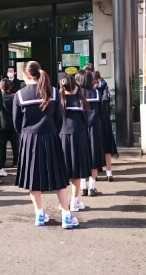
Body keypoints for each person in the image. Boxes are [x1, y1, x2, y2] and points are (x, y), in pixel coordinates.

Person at [14, 61, 78, 229]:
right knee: (59, 177)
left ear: (27, 76)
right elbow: (59, 119)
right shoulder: (55, 92)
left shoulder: (20, 95)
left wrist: (27, 131)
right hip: (51, 137)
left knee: (32, 178)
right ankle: (66, 215)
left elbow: (16, 123)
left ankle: (39, 215)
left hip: (29, 139)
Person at [58, 74, 90, 212]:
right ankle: (75, 202)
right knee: (76, 172)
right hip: (78, 137)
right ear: (75, 86)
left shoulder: (58, 102)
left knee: (62, 171)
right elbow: (86, 121)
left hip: (61, 138)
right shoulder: (81, 101)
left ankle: (63, 203)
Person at [76, 70, 103, 196]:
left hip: (80, 129)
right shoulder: (96, 93)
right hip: (94, 128)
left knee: (81, 157)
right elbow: (102, 112)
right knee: (94, 157)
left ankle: (83, 187)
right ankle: (92, 187)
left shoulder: (76, 94)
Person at [93, 70, 117, 181]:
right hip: (104, 117)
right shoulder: (104, 84)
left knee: (93, 146)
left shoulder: (87, 90)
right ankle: (109, 172)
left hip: (93, 119)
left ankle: (94, 175)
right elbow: (106, 100)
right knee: (107, 145)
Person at [0, 79, 20, 168]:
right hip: (13, 125)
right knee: (15, 146)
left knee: (1, 146)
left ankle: (1, 163)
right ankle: (16, 162)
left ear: (0, 87)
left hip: (1, 125)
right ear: (10, 87)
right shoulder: (13, 98)